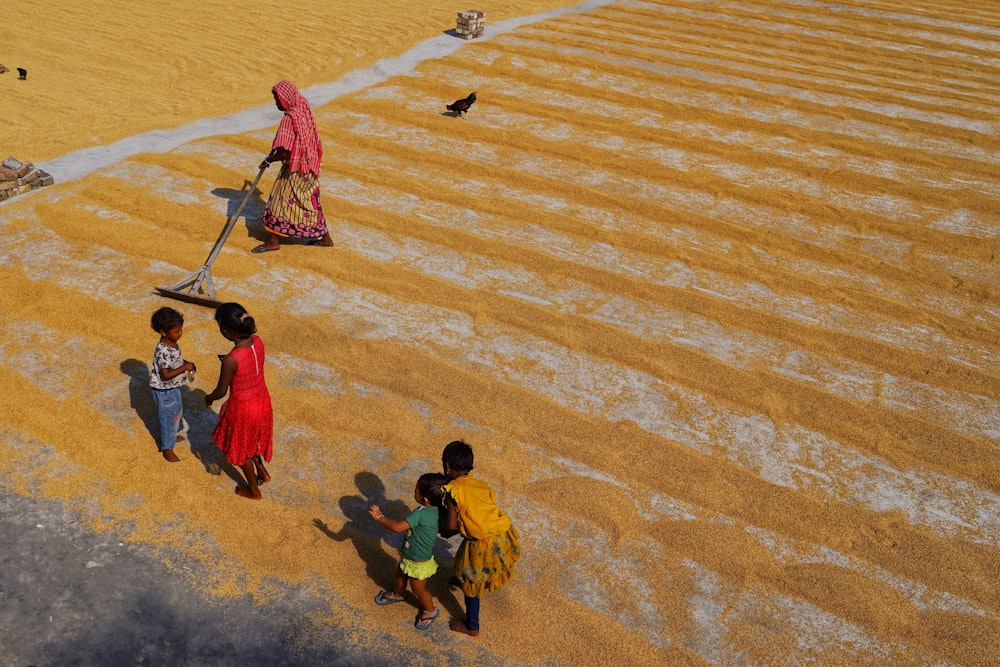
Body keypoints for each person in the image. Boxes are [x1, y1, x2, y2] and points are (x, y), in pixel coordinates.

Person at [440, 440, 520, 637]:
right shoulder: (481, 485)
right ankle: (462, 579)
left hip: (482, 543)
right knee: (463, 562)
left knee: (472, 583)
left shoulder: (453, 491)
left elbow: (450, 527)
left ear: (447, 466)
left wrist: (440, 523)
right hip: (502, 534)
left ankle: (472, 625)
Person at [252, 79, 333, 253]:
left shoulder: (289, 119)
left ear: (286, 98)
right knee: (310, 202)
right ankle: (325, 237)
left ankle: (273, 241)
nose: (276, 104)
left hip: (295, 169)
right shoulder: (302, 106)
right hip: (309, 165)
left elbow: (285, 152)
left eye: (278, 100)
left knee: (278, 204)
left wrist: (268, 160)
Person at [204, 303, 274, 499]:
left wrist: (208, 398)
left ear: (225, 330)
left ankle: (253, 489)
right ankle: (263, 472)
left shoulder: (231, 360)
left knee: (241, 450)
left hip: (243, 409)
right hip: (262, 402)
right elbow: (249, 365)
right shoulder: (258, 342)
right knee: (252, 440)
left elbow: (221, 391)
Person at [368, 473, 447, 631]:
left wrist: (379, 517)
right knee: (400, 576)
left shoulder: (420, 514)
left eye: (416, 490)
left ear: (425, 499)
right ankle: (398, 594)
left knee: (418, 589)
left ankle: (430, 611)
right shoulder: (436, 510)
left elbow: (397, 527)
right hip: (409, 556)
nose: (413, 491)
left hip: (418, 563)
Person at [149, 307, 196, 463]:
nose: (180, 333)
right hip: (164, 392)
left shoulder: (172, 344)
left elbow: (176, 362)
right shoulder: (163, 351)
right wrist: (184, 368)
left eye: (180, 329)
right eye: (176, 331)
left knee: (175, 414)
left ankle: (170, 437)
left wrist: (187, 364)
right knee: (169, 418)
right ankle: (167, 448)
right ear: (163, 332)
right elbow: (166, 374)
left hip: (172, 388)